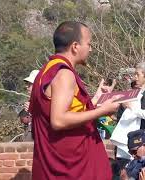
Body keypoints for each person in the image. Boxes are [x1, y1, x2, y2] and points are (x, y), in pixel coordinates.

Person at [29, 21, 121, 180]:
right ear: (75, 46)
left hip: (54, 162)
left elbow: (69, 111)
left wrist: (97, 99)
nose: (90, 49)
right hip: (69, 169)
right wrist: (102, 111)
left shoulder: (47, 70)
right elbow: (58, 120)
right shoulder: (64, 74)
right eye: (89, 44)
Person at [18, 70, 39, 142]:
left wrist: (33, 109)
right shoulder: (31, 100)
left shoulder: (46, 100)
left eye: (30, 84)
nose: (27, 86)